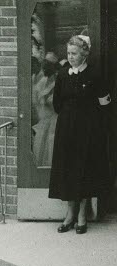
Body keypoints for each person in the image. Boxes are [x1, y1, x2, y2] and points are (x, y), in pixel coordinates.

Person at [49, 34, 112, 234]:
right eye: (68, 53)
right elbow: (57, 103)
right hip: (67, 130)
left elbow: (105, 103)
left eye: (74, 53)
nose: (71, 57)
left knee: (84, 170)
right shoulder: (62, 74)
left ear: (84, 54)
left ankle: (82, 215)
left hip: (88, 131)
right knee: (68, 170)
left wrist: (92, 123)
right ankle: (69, 215)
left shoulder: (94, 75)